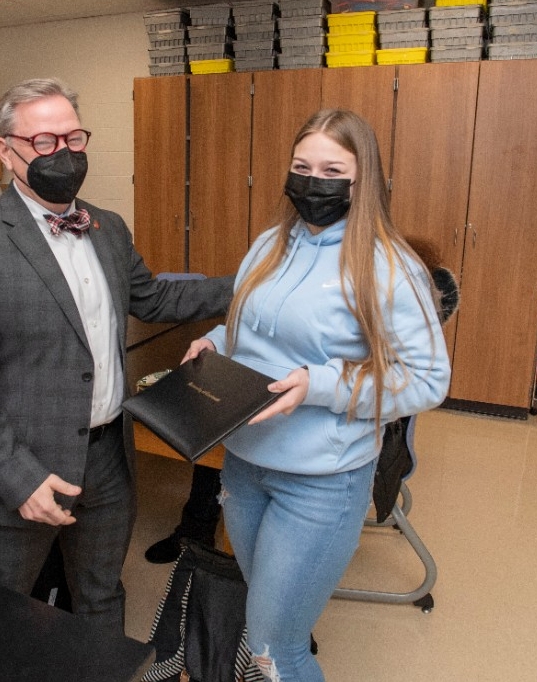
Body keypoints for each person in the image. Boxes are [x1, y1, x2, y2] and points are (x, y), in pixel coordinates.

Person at [0, 77, 234, 635]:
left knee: (100, 597)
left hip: (108, 457)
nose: (63, 155)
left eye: (73, 138)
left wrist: (250, 283)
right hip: (21, 467)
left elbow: (155, 297)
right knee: (4, 615)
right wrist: (18, 478)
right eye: (44, 142)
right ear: (6, 150)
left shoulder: (107, 227)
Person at [182, 109, 450, 681]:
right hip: (245, 464)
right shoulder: (269, 245)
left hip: (321, 483)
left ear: (363, 179)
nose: (312, 181)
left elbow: (428, 380)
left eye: (331, 169)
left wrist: (320, 385)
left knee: (275, 650)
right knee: (266, 626)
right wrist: (210, 340)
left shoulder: (390, 265)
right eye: (301, 167)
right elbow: (247, 326)